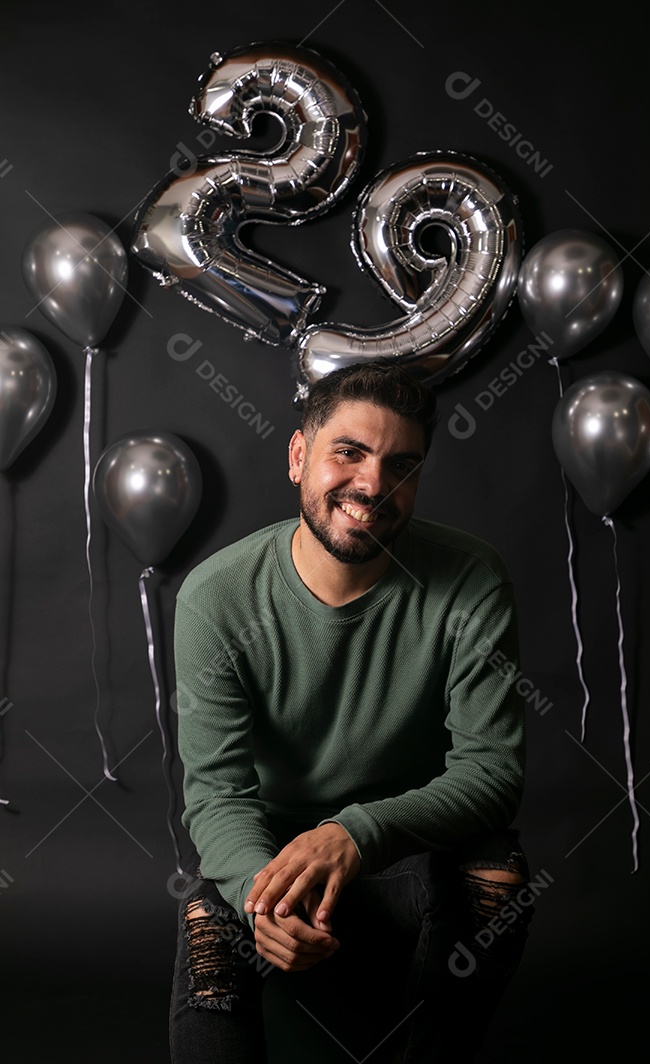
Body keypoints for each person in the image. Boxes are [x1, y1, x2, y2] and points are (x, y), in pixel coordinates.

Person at [169, 359, 533, 1063]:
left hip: (405, 855)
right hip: (273, 858)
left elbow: (492, 774)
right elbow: (217, 796)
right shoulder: (216, 597)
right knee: (209, 926)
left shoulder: (472, 580)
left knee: (497, 878)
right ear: (299, 456)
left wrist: (354, 833)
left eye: (402, 463)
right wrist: (259, 895)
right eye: (350, 453)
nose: (373, 483)